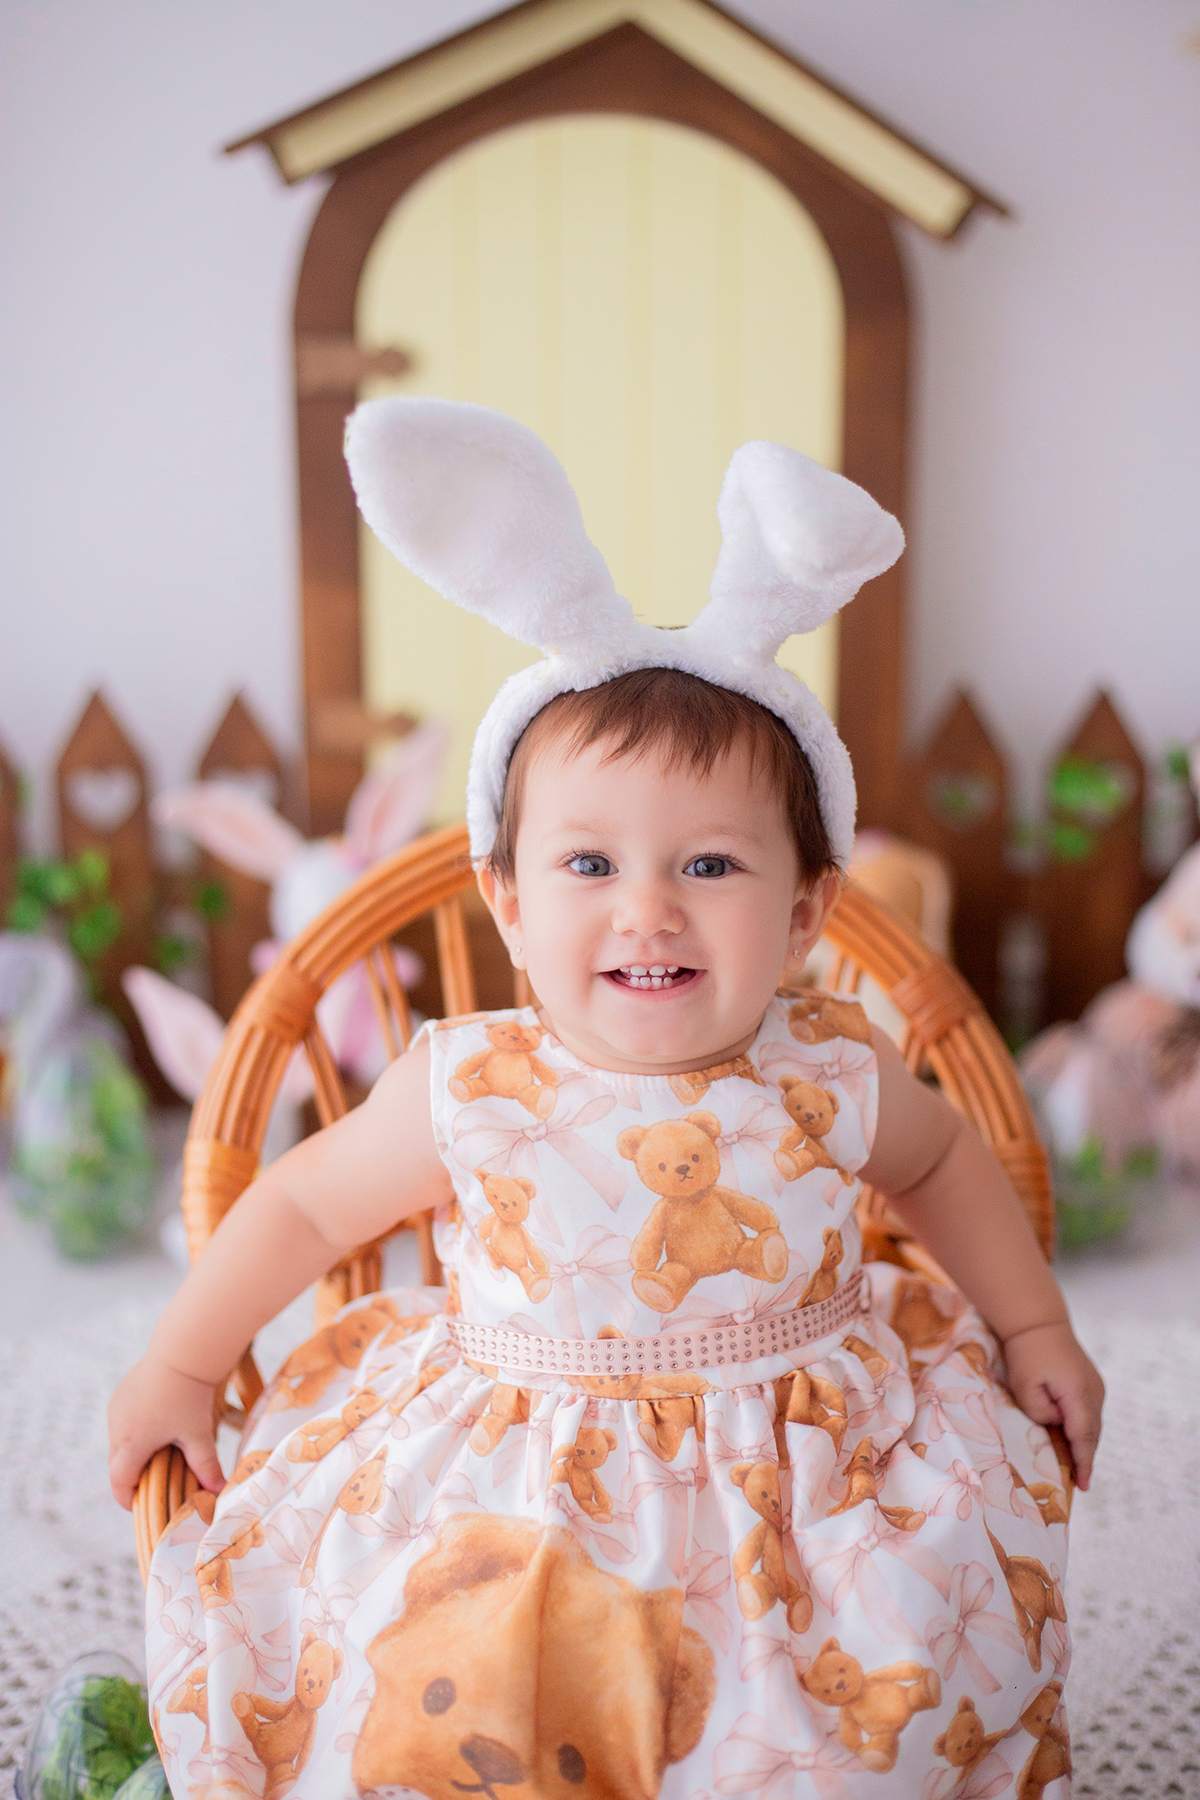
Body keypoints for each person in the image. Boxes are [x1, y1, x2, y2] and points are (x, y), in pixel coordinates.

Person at [110, 400, 1100, 1800]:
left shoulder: (833, 1066)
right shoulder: (473, 1078)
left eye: (710, 866)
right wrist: (184, 1365)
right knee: (430, 1693)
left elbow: (942, 1165)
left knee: (898, 1687)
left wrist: (1030, 1320)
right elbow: (303, 1204)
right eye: (589, 867)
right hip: (512, 1483)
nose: (649, 912)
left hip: (805, 1494)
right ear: (508, 900)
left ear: (809, 906)